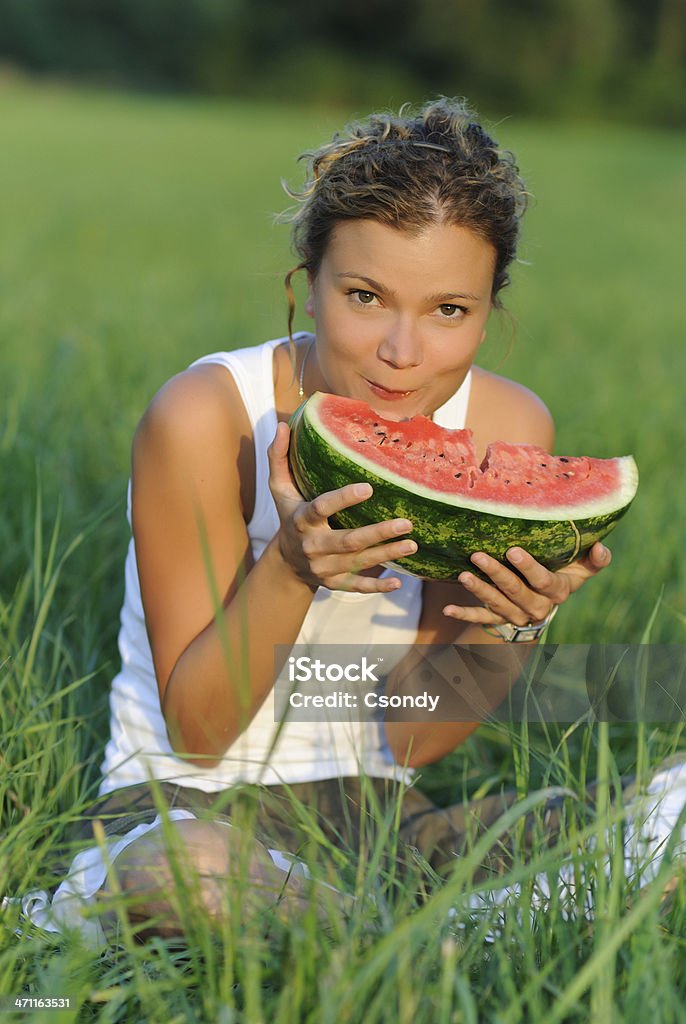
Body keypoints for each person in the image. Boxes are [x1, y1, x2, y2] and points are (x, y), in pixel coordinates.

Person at [7, 97, 640, 945]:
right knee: (179, 872)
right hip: (185, 810)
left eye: (450, 310)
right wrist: (294, 569)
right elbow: (198, 736)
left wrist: (504, 629)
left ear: (491, 309)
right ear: (308, 284)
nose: (404, 352)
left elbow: (415, 738)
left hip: (383, 818)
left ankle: (384, 932)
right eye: (366, 296)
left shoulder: (507, 430)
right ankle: (448, 938)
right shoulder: (207, 415)